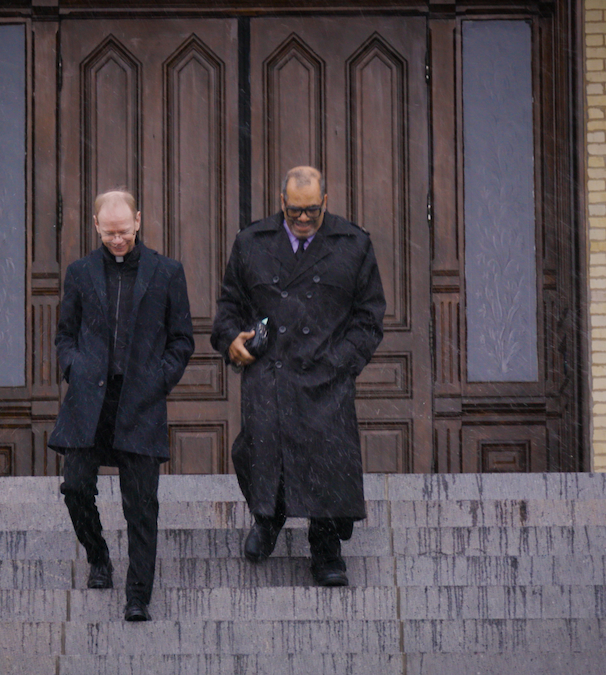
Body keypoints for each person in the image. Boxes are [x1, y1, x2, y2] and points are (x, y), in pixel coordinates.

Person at [211, 166, 385, 586]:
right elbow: (228, 308)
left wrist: (341, 361)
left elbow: (369, 318)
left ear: (325, 201)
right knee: (258, 449)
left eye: (310, 211)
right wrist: (231, 339)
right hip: (270, 372)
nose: (303, 220)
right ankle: (267, 520)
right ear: (280, 201)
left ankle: (326, 549)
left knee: (327, 460)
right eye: (294, 212)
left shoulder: (353, 244)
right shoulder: (251, 242)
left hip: (325, 375)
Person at [49, 189, 194, 621]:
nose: (117, 240)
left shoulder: (167, 272)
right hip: (89, 400)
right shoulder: (79, 273)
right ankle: (98, 557)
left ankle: (137, 596)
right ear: (96, 226)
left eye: (124, 231)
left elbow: (182, 339)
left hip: (141, 401)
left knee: (140, 503)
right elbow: (65, 336)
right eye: (109, 232)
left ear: (138, 221)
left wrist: (158, 379)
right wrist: (74, 369)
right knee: (75, 486)